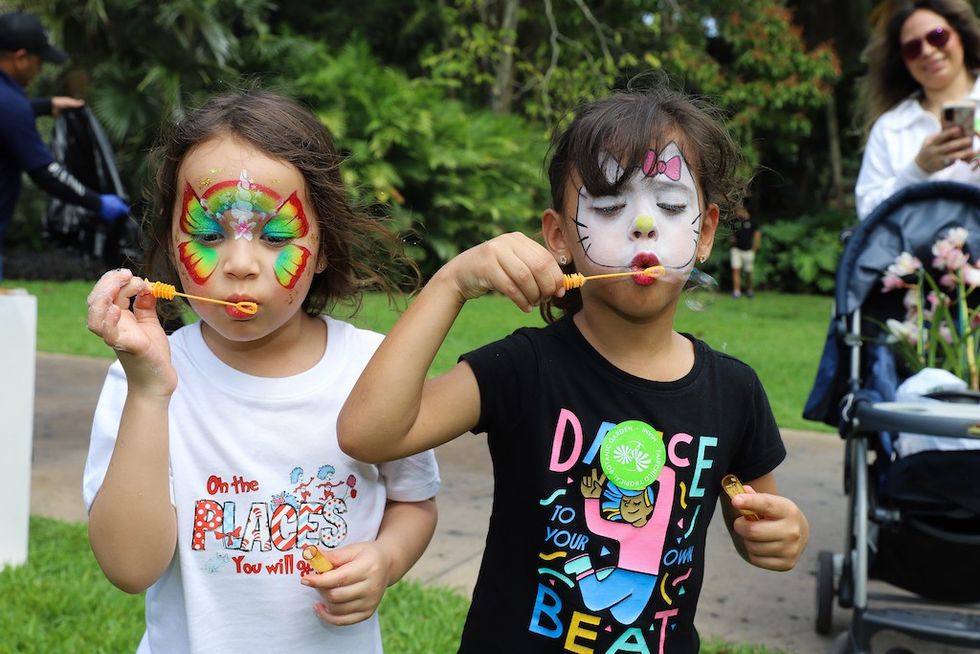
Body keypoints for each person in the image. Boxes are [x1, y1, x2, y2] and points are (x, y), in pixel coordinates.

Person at [338, 86, 809, 652]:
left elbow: (755, 519)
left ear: (705, 232)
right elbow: (369, 434)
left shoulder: (734, 391)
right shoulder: (525, 368)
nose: (642, 225)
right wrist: (451, 282)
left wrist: (779, 534)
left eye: (670, 204)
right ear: (559, 237)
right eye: (609, 207)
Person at [82, 90, 440, 652]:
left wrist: (386, 557)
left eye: (275, 238)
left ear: (322, 248)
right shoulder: (144, 380)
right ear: (173, 250)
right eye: (208, 234)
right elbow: (130, 567)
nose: (241, 264)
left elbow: (413, 500)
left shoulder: (372, 370)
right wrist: (150, 391)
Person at [0, 11, 129, 280]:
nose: (39, 70)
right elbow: (47, 173)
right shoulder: (10, 103)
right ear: (21, 57)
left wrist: (46, 106)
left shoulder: (10, 103)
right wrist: (98, 203)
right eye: (39, 61)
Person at [855, 0, 980, 220]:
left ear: (960, 33)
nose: (928, 51)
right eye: (913, 48)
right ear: (902, 60)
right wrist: (918, 169)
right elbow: (867, 214)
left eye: (937, 36)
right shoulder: (890, 128)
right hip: (916, 253)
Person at [729, 204, 761, 298]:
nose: (737, 213)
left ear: (744, 210)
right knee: (735, 270)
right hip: (736, 250)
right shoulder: (736, 223)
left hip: (748, 250)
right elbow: (732, 235)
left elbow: (757, 236)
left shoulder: (752, 222)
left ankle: (750, 290)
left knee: (748, 272)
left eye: (738, 211)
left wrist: (754, 249)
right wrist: (732, 240)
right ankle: (736, 292)